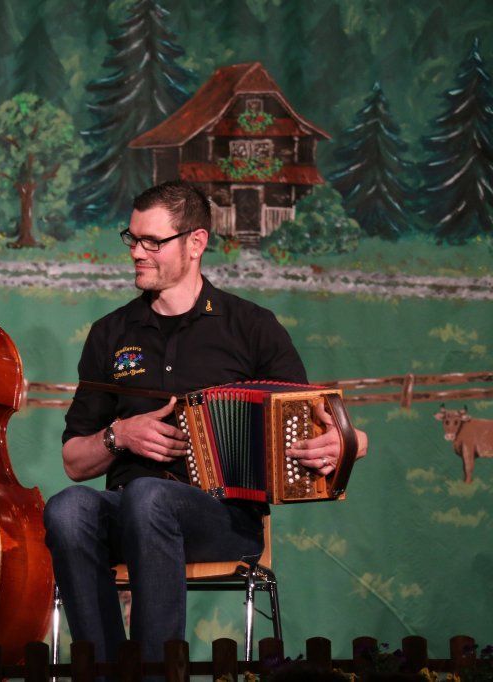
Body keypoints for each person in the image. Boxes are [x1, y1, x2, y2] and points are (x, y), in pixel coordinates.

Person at [43, 180, 368, 666]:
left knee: (148, 498)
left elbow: (324, 423)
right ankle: (108, 673)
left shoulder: (251, 326)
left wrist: (347, 442)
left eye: (152, 241)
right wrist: (119, 435)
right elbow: (73, 462)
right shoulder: (110, 333)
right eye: (132, 239)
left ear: (195, 243)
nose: (137, 252)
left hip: (223, 518)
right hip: (127, 511)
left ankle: (157, 676)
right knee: (68, 509)